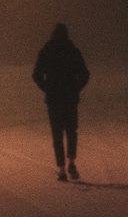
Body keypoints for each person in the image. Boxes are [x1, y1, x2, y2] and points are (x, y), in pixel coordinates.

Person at [33, 23, 90, 182]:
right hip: (70, 99)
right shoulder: (73, 51)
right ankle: (71, 160)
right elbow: (85, 74)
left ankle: (61, 169)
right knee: (71, 131)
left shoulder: (46, 51)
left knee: (57, 135)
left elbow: (36, 74)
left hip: (53, 100)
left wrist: (47, 88)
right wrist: (76, 88)